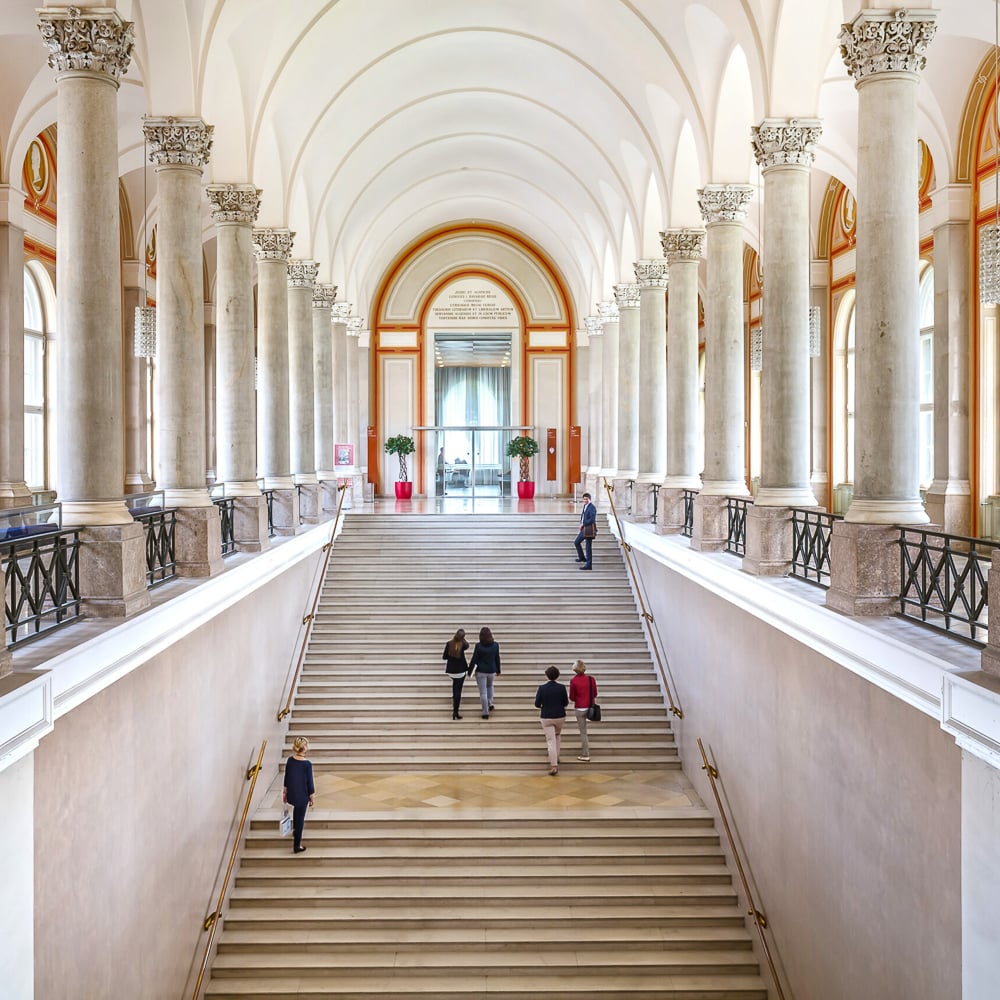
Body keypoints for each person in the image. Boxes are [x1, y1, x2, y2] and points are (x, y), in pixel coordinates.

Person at [282, 736, 315, 854]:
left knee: (296, 811)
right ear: (304, 747)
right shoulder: (307, 764)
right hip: (302, 795)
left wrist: (285, 792)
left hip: (292, 793)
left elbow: (287, 777)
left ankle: (295, 830)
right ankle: (297, 845)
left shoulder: (290, 760)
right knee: (300, 818)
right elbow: (309, 782)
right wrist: (312, 797)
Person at [534, 665, 569, 775]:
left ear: (547, 675)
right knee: (557, 735)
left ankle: (554, 765)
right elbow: (565, 702)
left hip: (546, 716)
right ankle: (557, 757)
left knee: (550, 740)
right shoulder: (562, 687)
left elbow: (537, 704)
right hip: (560, 715)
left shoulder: (542, 688)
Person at [468, 626, 501, 719]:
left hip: (481, 671)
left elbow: (474, 659)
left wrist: (470, 671)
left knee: (483, 692)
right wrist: (498, 670)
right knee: (490, 686)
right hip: (491, 670)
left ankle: (485, 712)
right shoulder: (495, 645)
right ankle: (490, 703)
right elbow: (497, 658)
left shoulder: (478, 646)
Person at [569, 659, 597, 761]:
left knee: (583, 731)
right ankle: (585, 753)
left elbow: (571, 697)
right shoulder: (591, 679)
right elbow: (595, 694)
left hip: (580, 708)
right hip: (590, 707)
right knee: (584, 731)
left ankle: (586, 754)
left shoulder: (573, 681)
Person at [442, 628, 470, 719]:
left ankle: (454, 698)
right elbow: (467, 645)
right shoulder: (463, 645)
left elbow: (444, 657)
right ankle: (455, 711)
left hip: (451, 670)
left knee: (455, 686)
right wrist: (462, 639)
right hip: (461, 670)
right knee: (458, 689)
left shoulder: (449, 643)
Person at [575, 491, 597, 570]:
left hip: (589, 529)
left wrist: (583, 524)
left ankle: (589, 565)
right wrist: (581, 523)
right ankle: (582, 558)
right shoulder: (585, 506)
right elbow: (584, 517)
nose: (585, 500)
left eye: (587, 499)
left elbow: (592, 519)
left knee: (588, 547)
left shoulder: (592, 507)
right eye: (584, 499)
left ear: (590, 499)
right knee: (577, 542)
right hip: (584, 528)